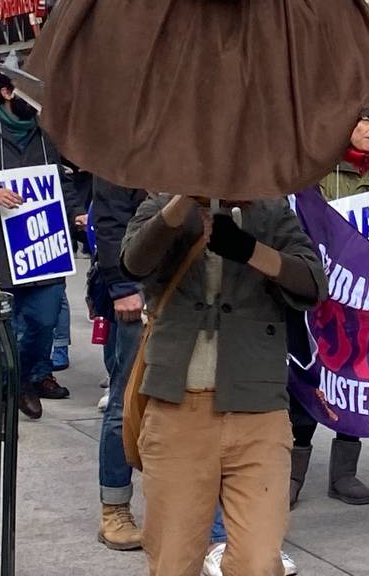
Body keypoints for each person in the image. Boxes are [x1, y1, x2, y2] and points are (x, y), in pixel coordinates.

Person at [121, 194, 327, 576]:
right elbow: (134, 261)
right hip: (177, 406)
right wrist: (181, 202)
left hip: (258, 409)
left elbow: (313, 283)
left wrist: (251, 250)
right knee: (173, 559)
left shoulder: (271, 209)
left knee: (258, 563)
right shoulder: (163, 201)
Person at [287, 111, 369, 508]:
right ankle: (292, 470)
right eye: (362, 120)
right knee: (313, 376)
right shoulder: (316, 171)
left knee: (360, 374)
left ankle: (344, 473)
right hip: (324, 293)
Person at [0, 72, 81, 420]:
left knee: (44, 321)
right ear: (7, 92)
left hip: (45, 252)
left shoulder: (45, 137)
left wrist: (77, 214)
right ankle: (6, 390)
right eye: (31, 94)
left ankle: (24, 378)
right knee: (5, 331)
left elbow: (60, 182)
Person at [91, 177, 148, 551]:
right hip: (139, 290)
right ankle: (115, 508)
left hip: (197, 294)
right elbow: (110, 219)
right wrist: (122, 287)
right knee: (125, 403)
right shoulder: (127, 134)